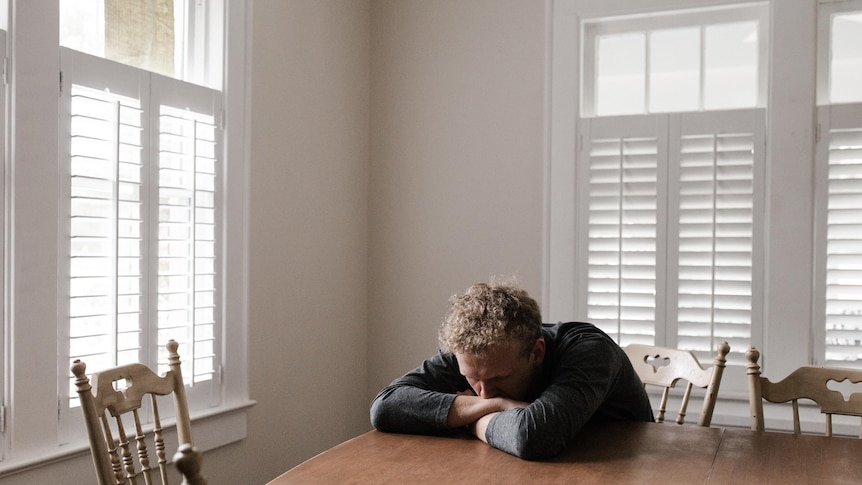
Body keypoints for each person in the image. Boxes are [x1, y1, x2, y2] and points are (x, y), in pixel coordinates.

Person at [369, 278, 654, 460]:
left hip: (632, 469)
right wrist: (499, 405)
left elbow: (534, 436)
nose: (484, 393)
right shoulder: (475, 354)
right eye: (472, 379)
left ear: (537, 352)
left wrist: (471, 419)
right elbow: (385, 407)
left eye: (500, 379)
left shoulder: (590, 350)